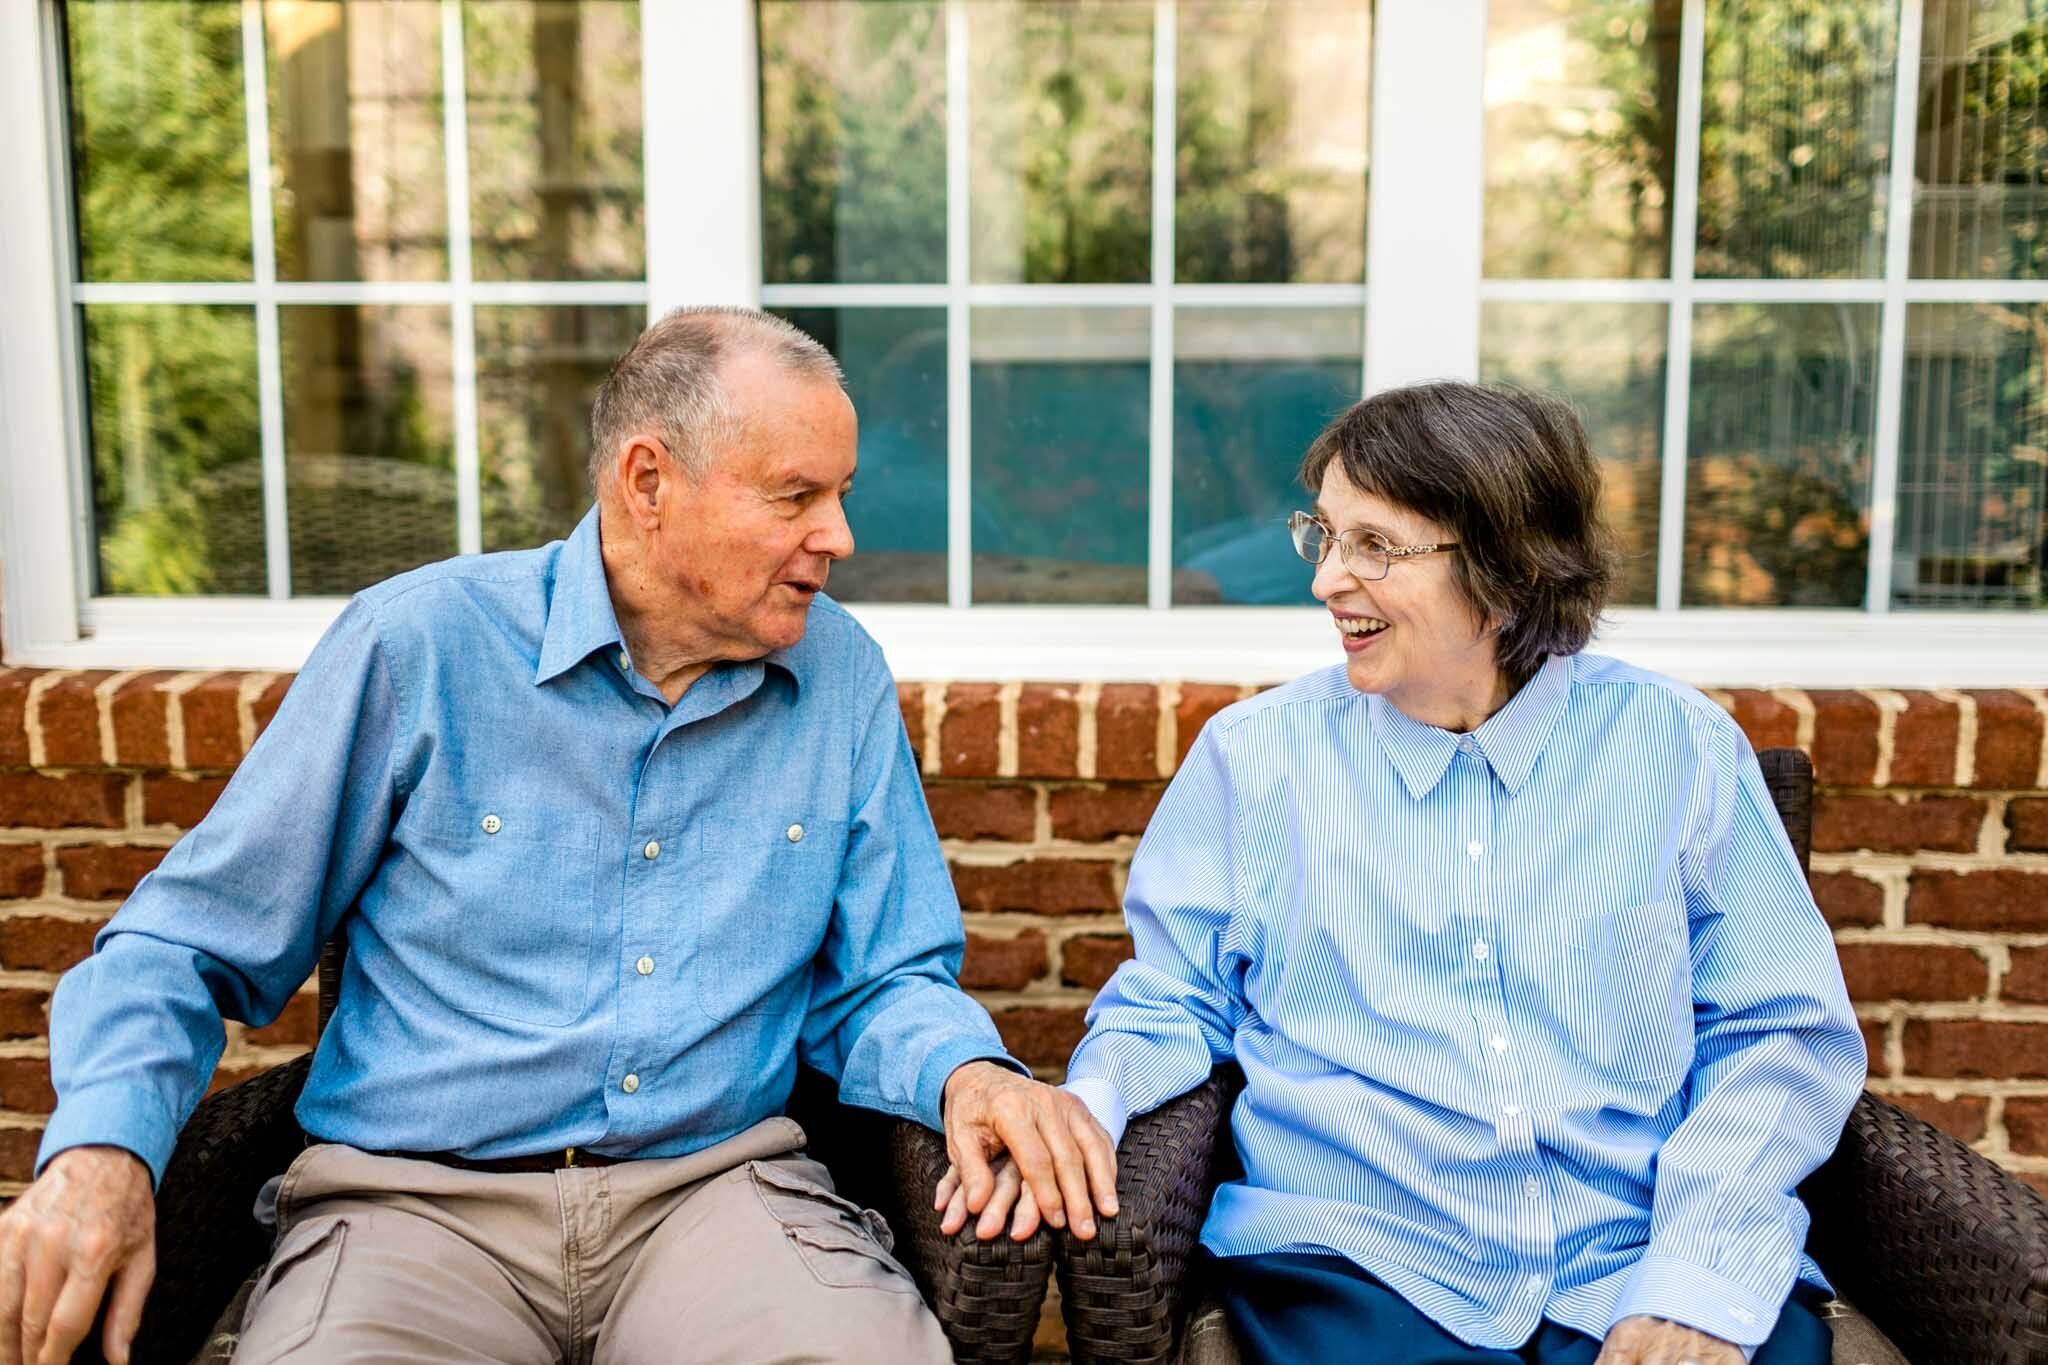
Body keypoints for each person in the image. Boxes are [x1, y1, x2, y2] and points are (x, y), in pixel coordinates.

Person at [0, 307, 1115, 1365]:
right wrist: (101, 1146)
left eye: (841, 493)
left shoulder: (839, 675)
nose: (840, 535)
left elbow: (884, 981)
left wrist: (971, 1074)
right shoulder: (420, 646)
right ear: (648, 483)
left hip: (712, 1197)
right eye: (794, 496)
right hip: (410, 1211)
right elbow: (181, 944)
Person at [1033, 382, 1863, 1364]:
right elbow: (1169, 1001)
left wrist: (1698, 1275)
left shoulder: (1677, 750)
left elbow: (1775, 1032)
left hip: (1630, 1252)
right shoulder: (1255, 761)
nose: (1325, 582)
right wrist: (1084, 1104)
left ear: (1507, 568)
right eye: (1325, 537)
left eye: (1374, 547)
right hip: (1362, 1262)